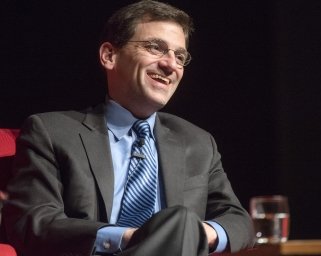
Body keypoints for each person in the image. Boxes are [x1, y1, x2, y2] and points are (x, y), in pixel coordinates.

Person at [2, 1, 254, 255]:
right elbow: (32, 223)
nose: (171, 65)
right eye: (156, 48)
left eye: (179, 56)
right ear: (109, 56)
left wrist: (194, 233)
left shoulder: (197, 142)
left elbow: (239, 221)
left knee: (183, 221)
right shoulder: (52, 131)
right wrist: (132, 237)